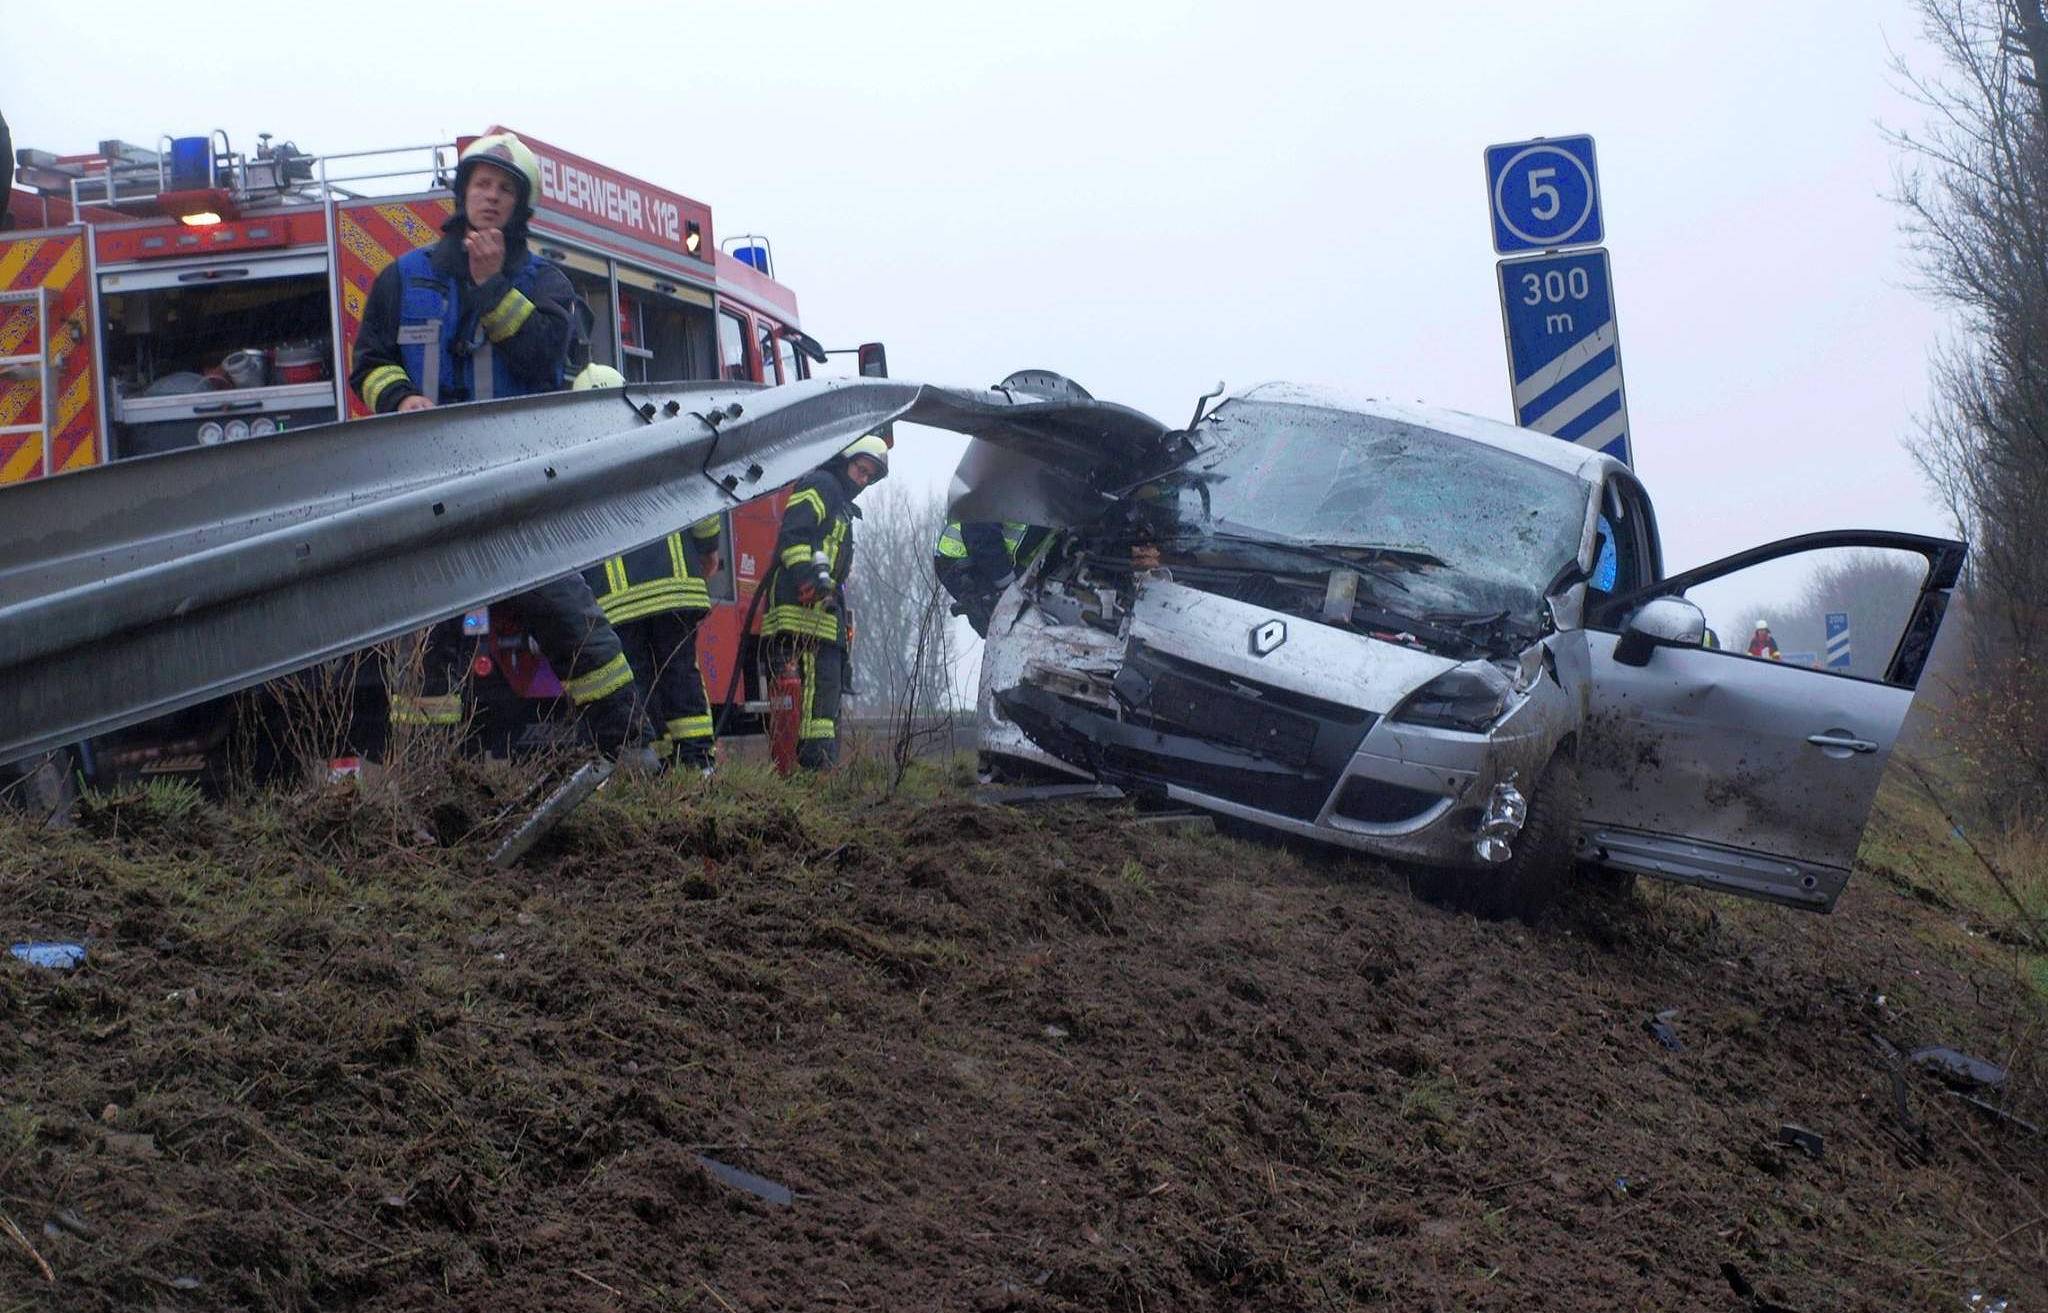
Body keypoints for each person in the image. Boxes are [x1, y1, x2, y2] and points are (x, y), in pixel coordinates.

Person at [348, 131, 647, 762]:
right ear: (463, 193)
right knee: (428, 658)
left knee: (577, 630)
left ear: (520, 207)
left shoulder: (545, 283)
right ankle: (433, 787)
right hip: (430, 496)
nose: (489, 197)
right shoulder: (404, 278)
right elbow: (369, 362)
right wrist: (401, 397)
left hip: (517, 492)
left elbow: (545, 361)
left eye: (504, 189)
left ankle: (624, 761)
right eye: (481, 184)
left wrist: (489, 286)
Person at [575, 364, 726, 771]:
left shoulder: (577, 458)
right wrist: (709, 551)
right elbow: (701, 502)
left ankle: (652, 767)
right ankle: (697, 763)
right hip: (676, 588)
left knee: (637, 681)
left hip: (618, 601)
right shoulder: (663, 439)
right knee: (680, 674)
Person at [763, 435, 889, 770]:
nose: (862, 480)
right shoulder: (821, 485)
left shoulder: (842, 505)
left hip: (823, 615)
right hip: (795, 610)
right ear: (844, 460)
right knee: (797, 694)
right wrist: (808, 578)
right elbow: (794, 535)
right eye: (860, 470)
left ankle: (816, 770)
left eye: (868, 476)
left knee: (825, 699)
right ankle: (800, 769)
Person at [933, 520, 1049, 637]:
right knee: (1001, 625)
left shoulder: (1057, 515)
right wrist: (1007, 584)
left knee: (1013, 626)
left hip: (995, 563)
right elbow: (978, 526)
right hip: (963, 563)